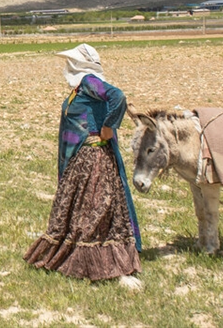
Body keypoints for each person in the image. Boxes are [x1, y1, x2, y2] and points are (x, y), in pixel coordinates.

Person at [24, 43, 142, 285]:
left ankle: (100, 261)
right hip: (83, 158)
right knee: (81, 210)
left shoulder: (89, 82)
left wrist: (108, 127)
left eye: (70, 63)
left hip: (93, 158)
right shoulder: (80, 88)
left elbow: (118, 96)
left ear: (79, 65)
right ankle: (78, 255)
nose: (66, 67)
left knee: (93, 211)